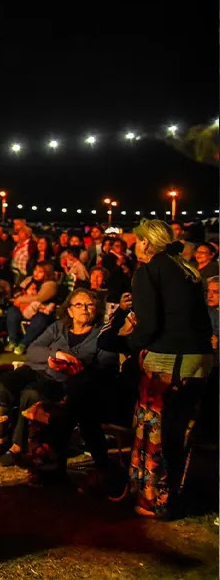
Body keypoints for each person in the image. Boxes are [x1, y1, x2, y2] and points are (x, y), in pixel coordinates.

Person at [108, 219, 213, 518]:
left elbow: (149, 326)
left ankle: (154, 499)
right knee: (182, 430)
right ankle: (174, 496)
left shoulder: (148, 272)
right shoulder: (186, 269)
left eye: (136, 241)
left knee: (155, 431)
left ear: (145, 242)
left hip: (168, 362)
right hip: (199, 361)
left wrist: (125, 343)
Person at [0, 289, 117, 469]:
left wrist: (75, 368)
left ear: (97, 309)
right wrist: (57, 353)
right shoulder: (58, 327)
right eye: (78, 304)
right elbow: (32, 350)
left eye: (89, 305)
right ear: (70, 311)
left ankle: (18, 447)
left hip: (63, 382)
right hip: (37, 368)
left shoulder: (101, 335)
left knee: (32, 394)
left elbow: (105, 368)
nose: (84, 309)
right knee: (1, 384)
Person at [4, 262, 59, 355]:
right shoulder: (30, 280)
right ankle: (13, 341)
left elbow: (40, 298)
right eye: (35, 270)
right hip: (25, 308)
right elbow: (20, 289)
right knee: (12, 312)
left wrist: (21, 299)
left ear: (47, 273)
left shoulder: (50, 284)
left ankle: (24, 344)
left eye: (40, 271)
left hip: (42, 310)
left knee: (40, 320)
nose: (36, 273)